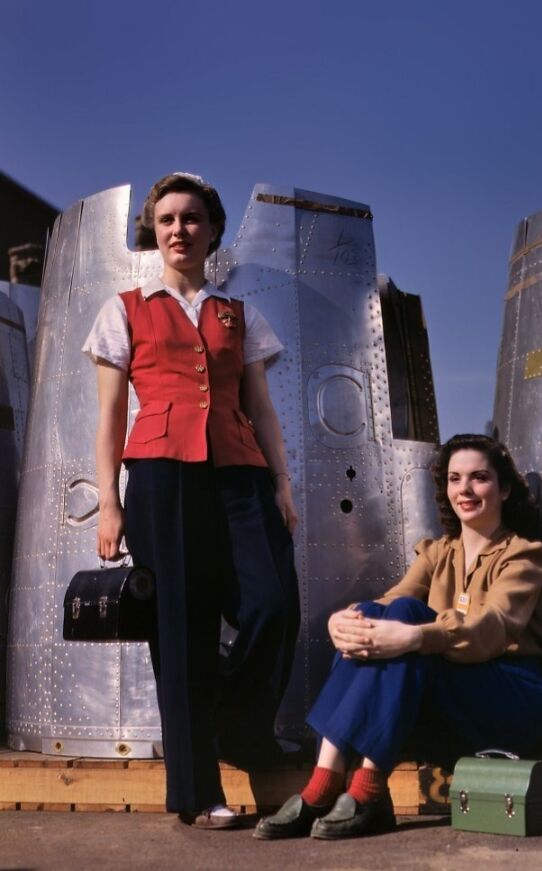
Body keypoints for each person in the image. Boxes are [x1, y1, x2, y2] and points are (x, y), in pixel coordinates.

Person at [82, 172, 300, 829]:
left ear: (213, 229)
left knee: (273, 603)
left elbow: (261, 406)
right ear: (154, 230)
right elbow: (110, 415)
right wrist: (110, 502)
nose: (180, 229)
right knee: (180, 630)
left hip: (239, 472)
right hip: (159, 475)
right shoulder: (124, 308)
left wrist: (282, 482)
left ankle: (235, 725)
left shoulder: (240, 314)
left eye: (193, 218)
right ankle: (197, 791)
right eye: (168, 219)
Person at [254, 433, 542, 840]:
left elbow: (492, 627)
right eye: (455, 479)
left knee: (408, 619)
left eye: (479, 478)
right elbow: (390, 601)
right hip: (452, 697)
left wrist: (414, 638)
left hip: (508, 699)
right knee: (376, 615)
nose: (464, 489)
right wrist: (345, 621)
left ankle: (362, 790)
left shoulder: (524, 555)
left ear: (505, 489)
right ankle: (329, 780)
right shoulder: (438, 552)